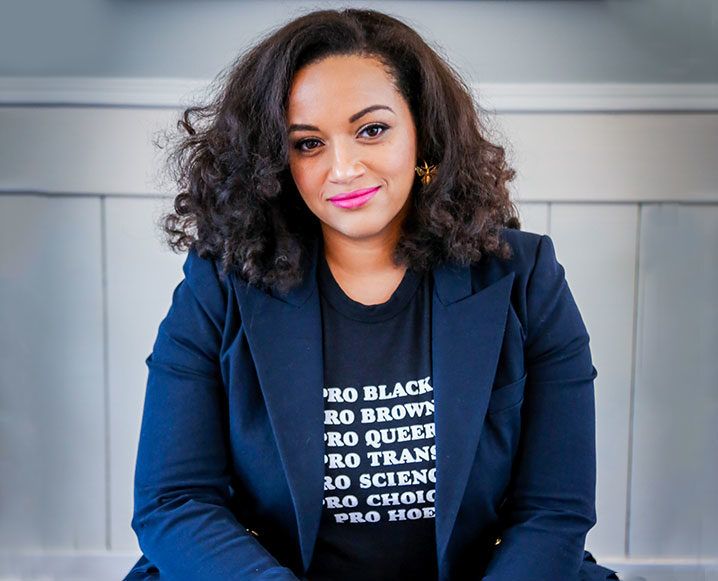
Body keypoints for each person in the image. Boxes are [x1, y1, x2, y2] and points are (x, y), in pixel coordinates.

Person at [125, 7, 620, 581]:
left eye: (372, 130)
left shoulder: (526, 277)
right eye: (307, 144)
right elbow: (175, 501)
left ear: (424, 135)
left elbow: (553, 510)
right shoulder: (219, 285)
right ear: (276, 163)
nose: (342, 168)